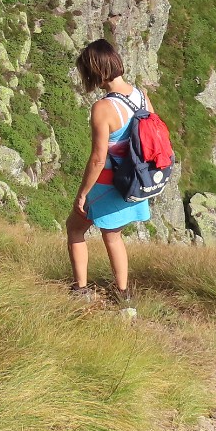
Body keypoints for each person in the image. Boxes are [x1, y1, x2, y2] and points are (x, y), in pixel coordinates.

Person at [67, 39, 148, 317]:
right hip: (133, 181)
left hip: (107, 183)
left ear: (94, 71)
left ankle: (80, 291)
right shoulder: (141, 96)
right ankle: (125, 298)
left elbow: (98, 159)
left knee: (75, 228)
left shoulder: (103, 108)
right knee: (113, 235)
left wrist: (82, 192)